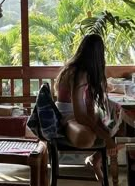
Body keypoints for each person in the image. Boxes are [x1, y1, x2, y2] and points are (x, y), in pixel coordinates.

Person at [55, 34, 117, 182]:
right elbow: (80, 115)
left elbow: (95, 100)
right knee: (88, 138)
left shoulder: (87, 72)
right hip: (68, 117)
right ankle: (97, 156)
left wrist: (102, 128)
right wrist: (105, 136)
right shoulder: (77, 73)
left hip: (79, 115)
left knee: (117, 118)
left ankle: (95, 159)